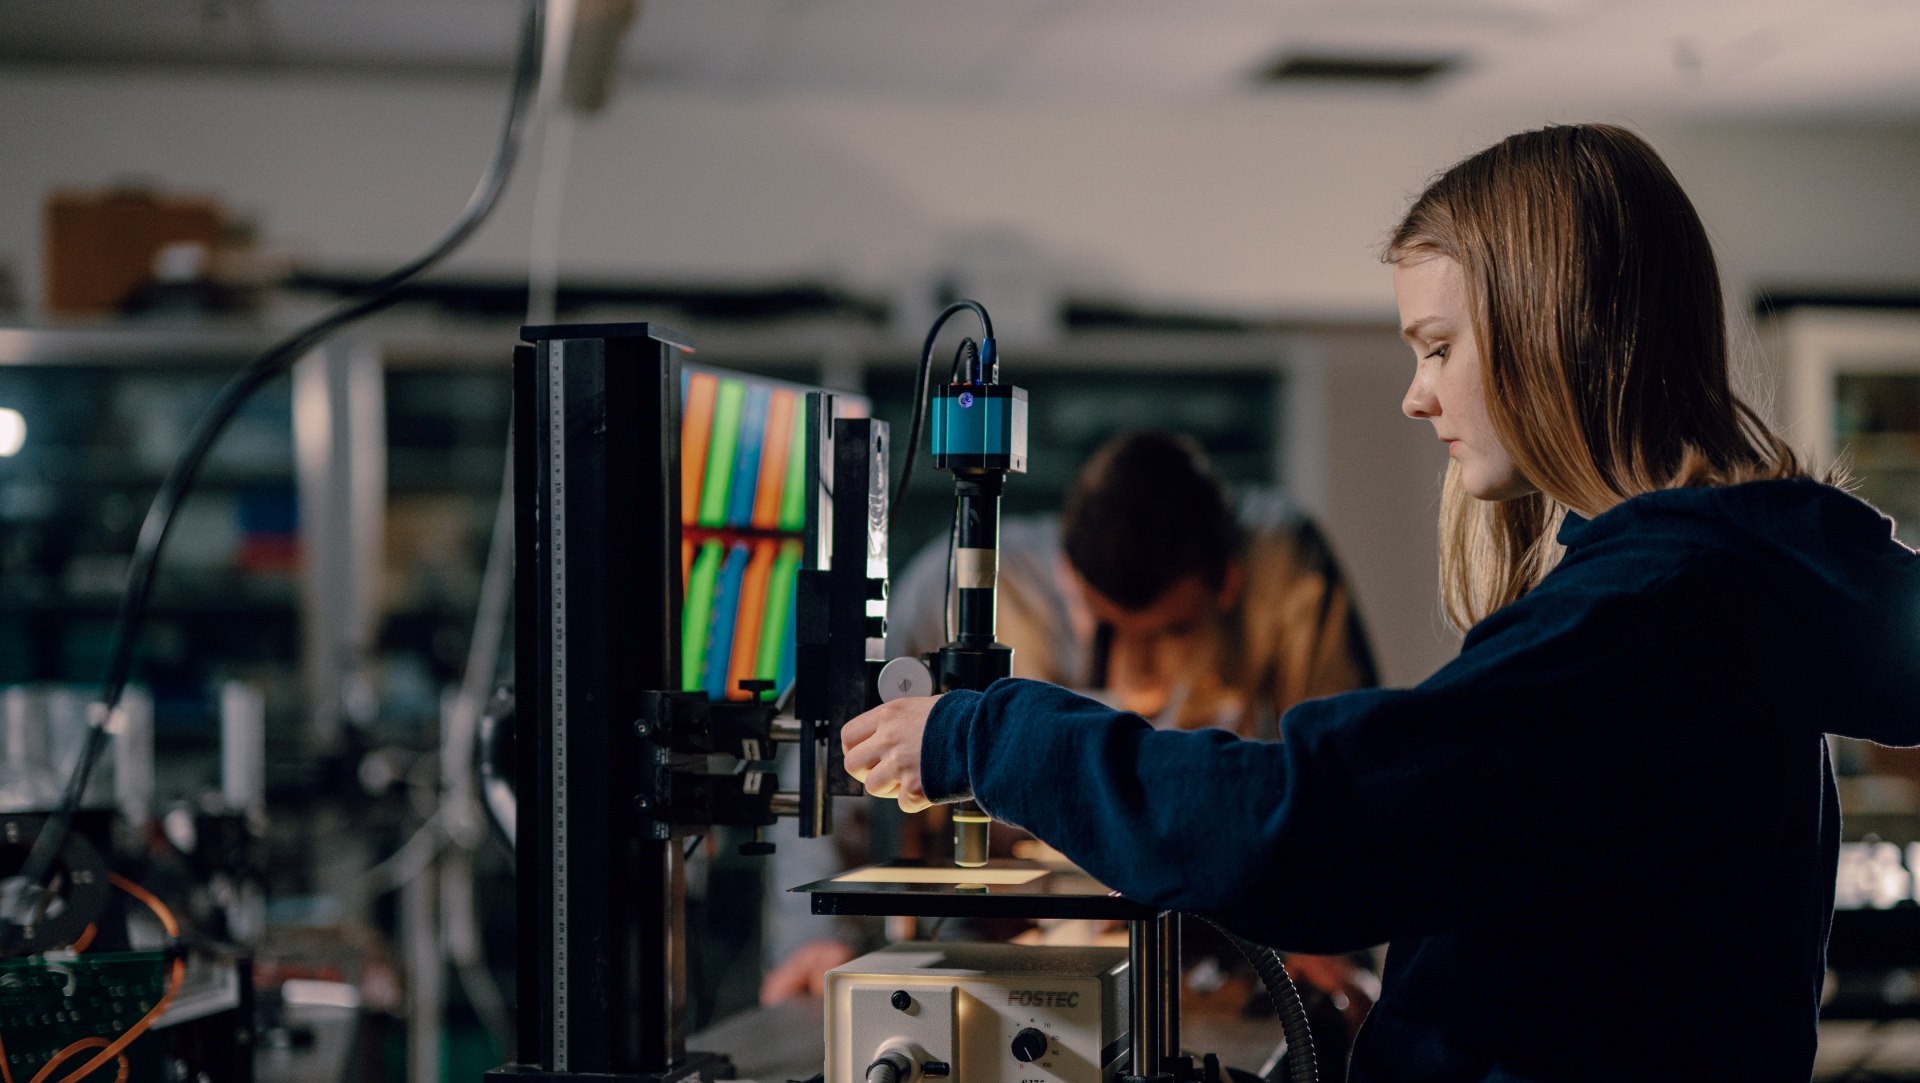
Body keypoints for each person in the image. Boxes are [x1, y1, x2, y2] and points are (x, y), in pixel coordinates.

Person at [840, 122, 1920, 1081]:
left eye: (1439, 348)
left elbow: (1301, 825)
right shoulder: (1718, 587)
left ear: (1556, 331)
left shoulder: (1650, 615)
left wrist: (983, 732)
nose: (1417, 395)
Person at [761, 430, 1381, 1036]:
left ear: (1228, 582)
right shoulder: (968, 586)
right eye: (1110, 628)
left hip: (1202, 937)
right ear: (1065, 574)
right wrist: (813, 939)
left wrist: (1327, 930)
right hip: (1003, 938)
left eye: (1172, 633)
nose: (1140, 680)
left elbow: (1343, 777)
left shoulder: (1283, 571)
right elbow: (839, 756)